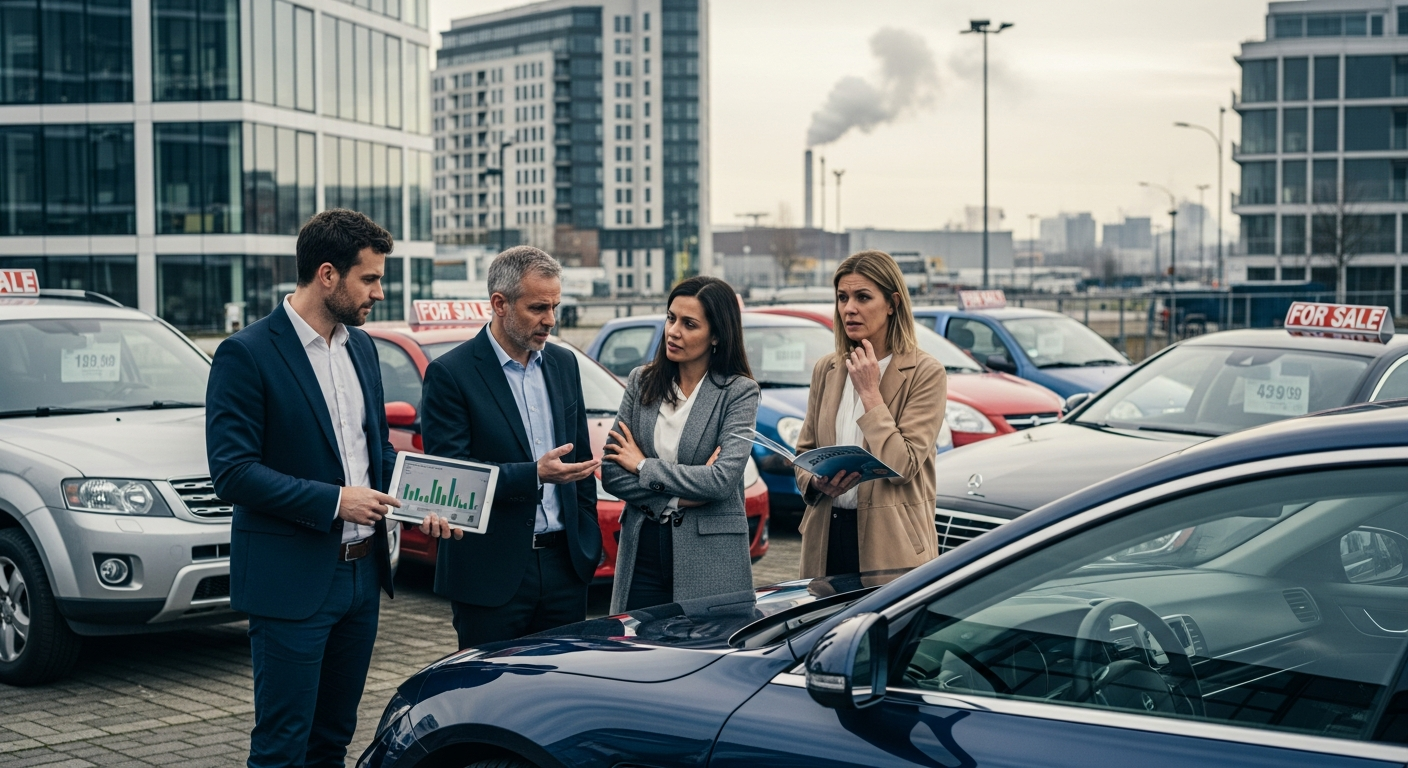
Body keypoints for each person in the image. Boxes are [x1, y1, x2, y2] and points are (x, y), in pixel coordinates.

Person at [206, 209, 457, 767]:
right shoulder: (246, 354)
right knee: (282, 746)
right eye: (369, 279)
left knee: (333, 740)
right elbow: (232, 471)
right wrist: (334, 500)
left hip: (362, 578)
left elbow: (378, 457)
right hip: (291, 583)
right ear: (327, 275)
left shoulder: (361, 348)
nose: (379, 292)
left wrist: (428, 502)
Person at [419, 246, 601, 649]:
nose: (550, 320)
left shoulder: (563, 364)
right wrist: (533, 474)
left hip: (565, 568)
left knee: (561, 694)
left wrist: (585, 543)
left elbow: (581, 464)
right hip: (490, 573)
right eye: (538, 307)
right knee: (491, 700)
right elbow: (453, 476)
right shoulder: (451, 373)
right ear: (499, 304)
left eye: (555, 306)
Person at [600, 276, 760, 613]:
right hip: (642, 547)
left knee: (703, 657)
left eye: (689, 324)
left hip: (710, 557)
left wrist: (643, 466)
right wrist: (680, 495)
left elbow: (721, 480)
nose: (673, 331)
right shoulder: (641, 381)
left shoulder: (739, 392)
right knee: (639, 655)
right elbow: (612, 471)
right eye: (671, 318)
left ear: (716, 335)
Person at [793, 250, 947, 578]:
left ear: (892, 303)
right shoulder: (827, 368)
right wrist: (816, 482)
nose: (850, 308)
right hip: (826, 538)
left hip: (892, 545)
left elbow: (902, 466)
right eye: (842, 297)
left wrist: (870, 394)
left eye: (863, 297)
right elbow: (805, 451)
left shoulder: (926, 372)